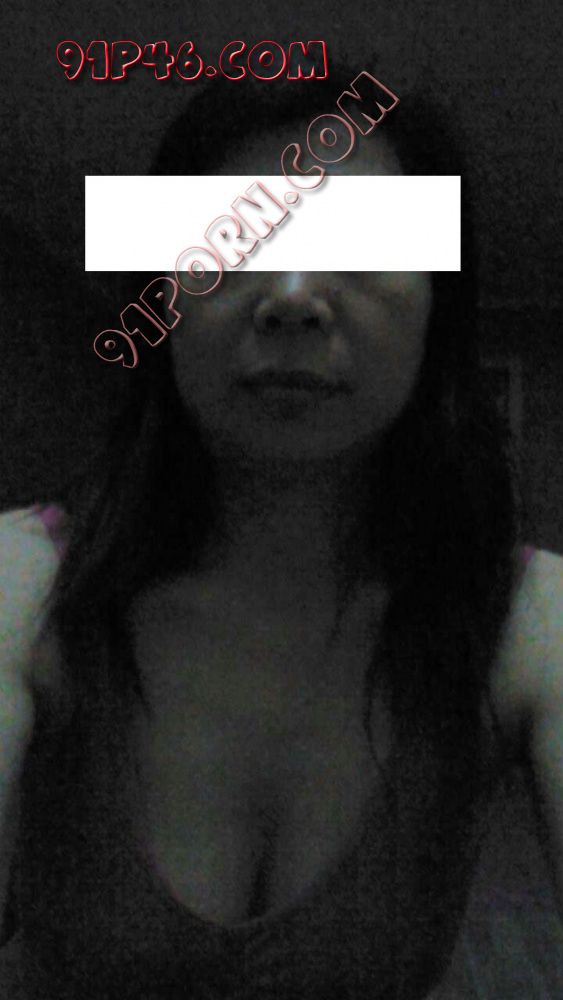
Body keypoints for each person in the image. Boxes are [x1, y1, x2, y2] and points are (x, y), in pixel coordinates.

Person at [0, 66, 562, 999]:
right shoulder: (22, 588)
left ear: (438, 310)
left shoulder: (532, 623)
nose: (293, 295)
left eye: (362, 246)